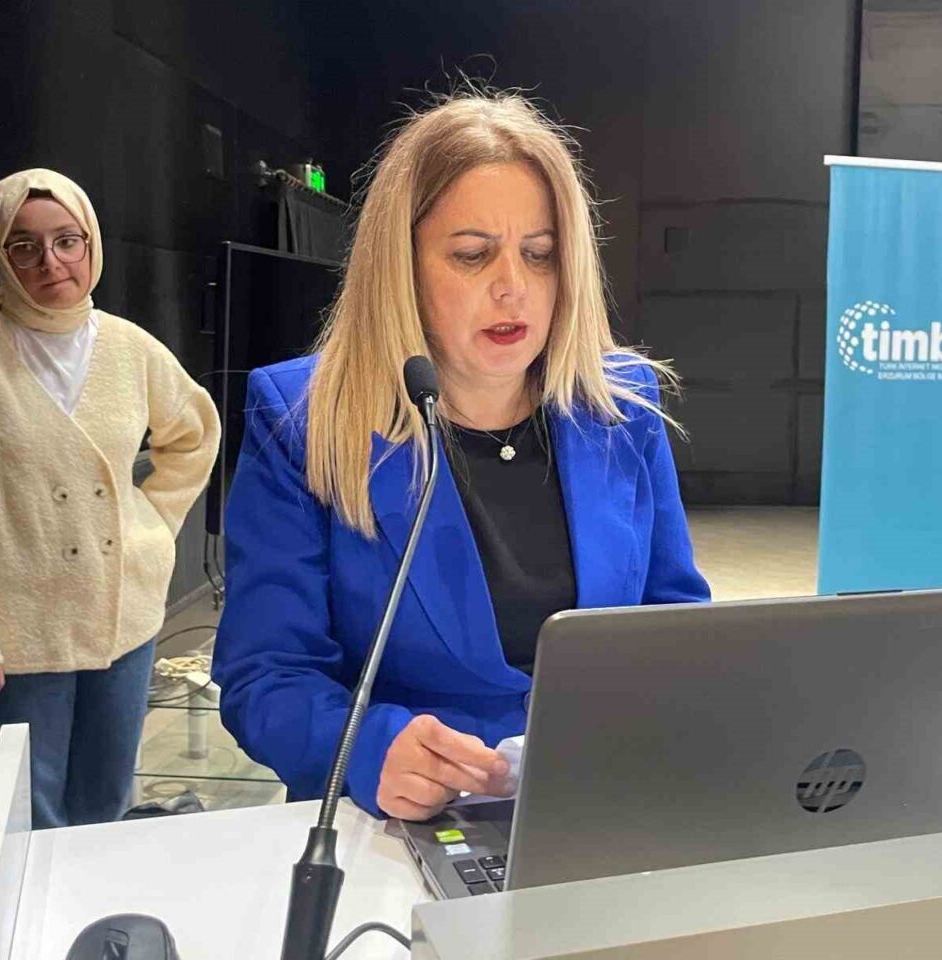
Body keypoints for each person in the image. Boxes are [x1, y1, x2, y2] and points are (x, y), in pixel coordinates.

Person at [212, 92, 710, 822]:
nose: (513, 286)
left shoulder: (622, 406)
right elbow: (267, 675)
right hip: (401, 822)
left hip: (598, 801)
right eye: (473, 255)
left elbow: (675, 625)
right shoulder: (303, 419)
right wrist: (369, 751)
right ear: (402, 267)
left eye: (539, 254)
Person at [0, 169, 221, 828]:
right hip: (14, 629)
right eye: (25, 246)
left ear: (91, 242)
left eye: (67, 240)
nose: (51, 261)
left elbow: (194, 435)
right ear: (1, 254)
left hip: (122, 614)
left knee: (105, 802)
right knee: (25, 816)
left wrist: (152, 525)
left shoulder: (130, 347)